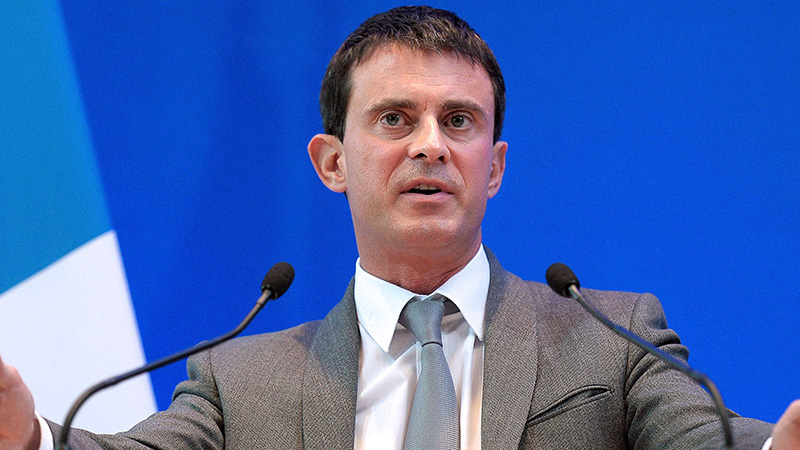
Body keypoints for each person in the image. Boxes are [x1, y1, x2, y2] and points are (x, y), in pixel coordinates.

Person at [1, 5, 798, 450]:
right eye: (394, 118)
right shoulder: (241, 384)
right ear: (332, 162)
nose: (430, 145)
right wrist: (28, 438)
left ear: (494, 166)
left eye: (459, 120)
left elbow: (707, 440)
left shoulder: (610, 340)